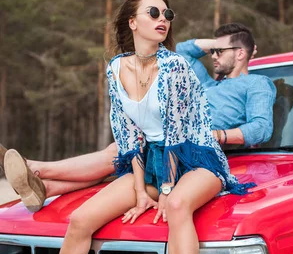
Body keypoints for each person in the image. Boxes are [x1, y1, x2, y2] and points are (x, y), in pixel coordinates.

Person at [12, 0, 254, 254]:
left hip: (198, 157)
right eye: (154, 12)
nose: (163, 18)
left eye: (168, 14)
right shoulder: (115, 68)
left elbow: (175, 133)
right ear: (132, 22)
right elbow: (127, 134)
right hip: (152, 159)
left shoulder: (174, 67)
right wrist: (141, 191)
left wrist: (167, 190)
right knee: (80, 219)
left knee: (176, 207)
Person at [1, 25, 275, 212]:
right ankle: (45, 188)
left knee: (119, 151)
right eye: (212, 50)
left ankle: (35, 168)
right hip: (164, 140)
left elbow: (261, 128)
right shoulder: (205, 82)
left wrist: (213, 135)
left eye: (220, 51)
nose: (213, 55)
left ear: (240, 54)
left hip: (194, 151)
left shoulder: (257, 84)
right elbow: (181, 50)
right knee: (122, 156)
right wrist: (214, 42)